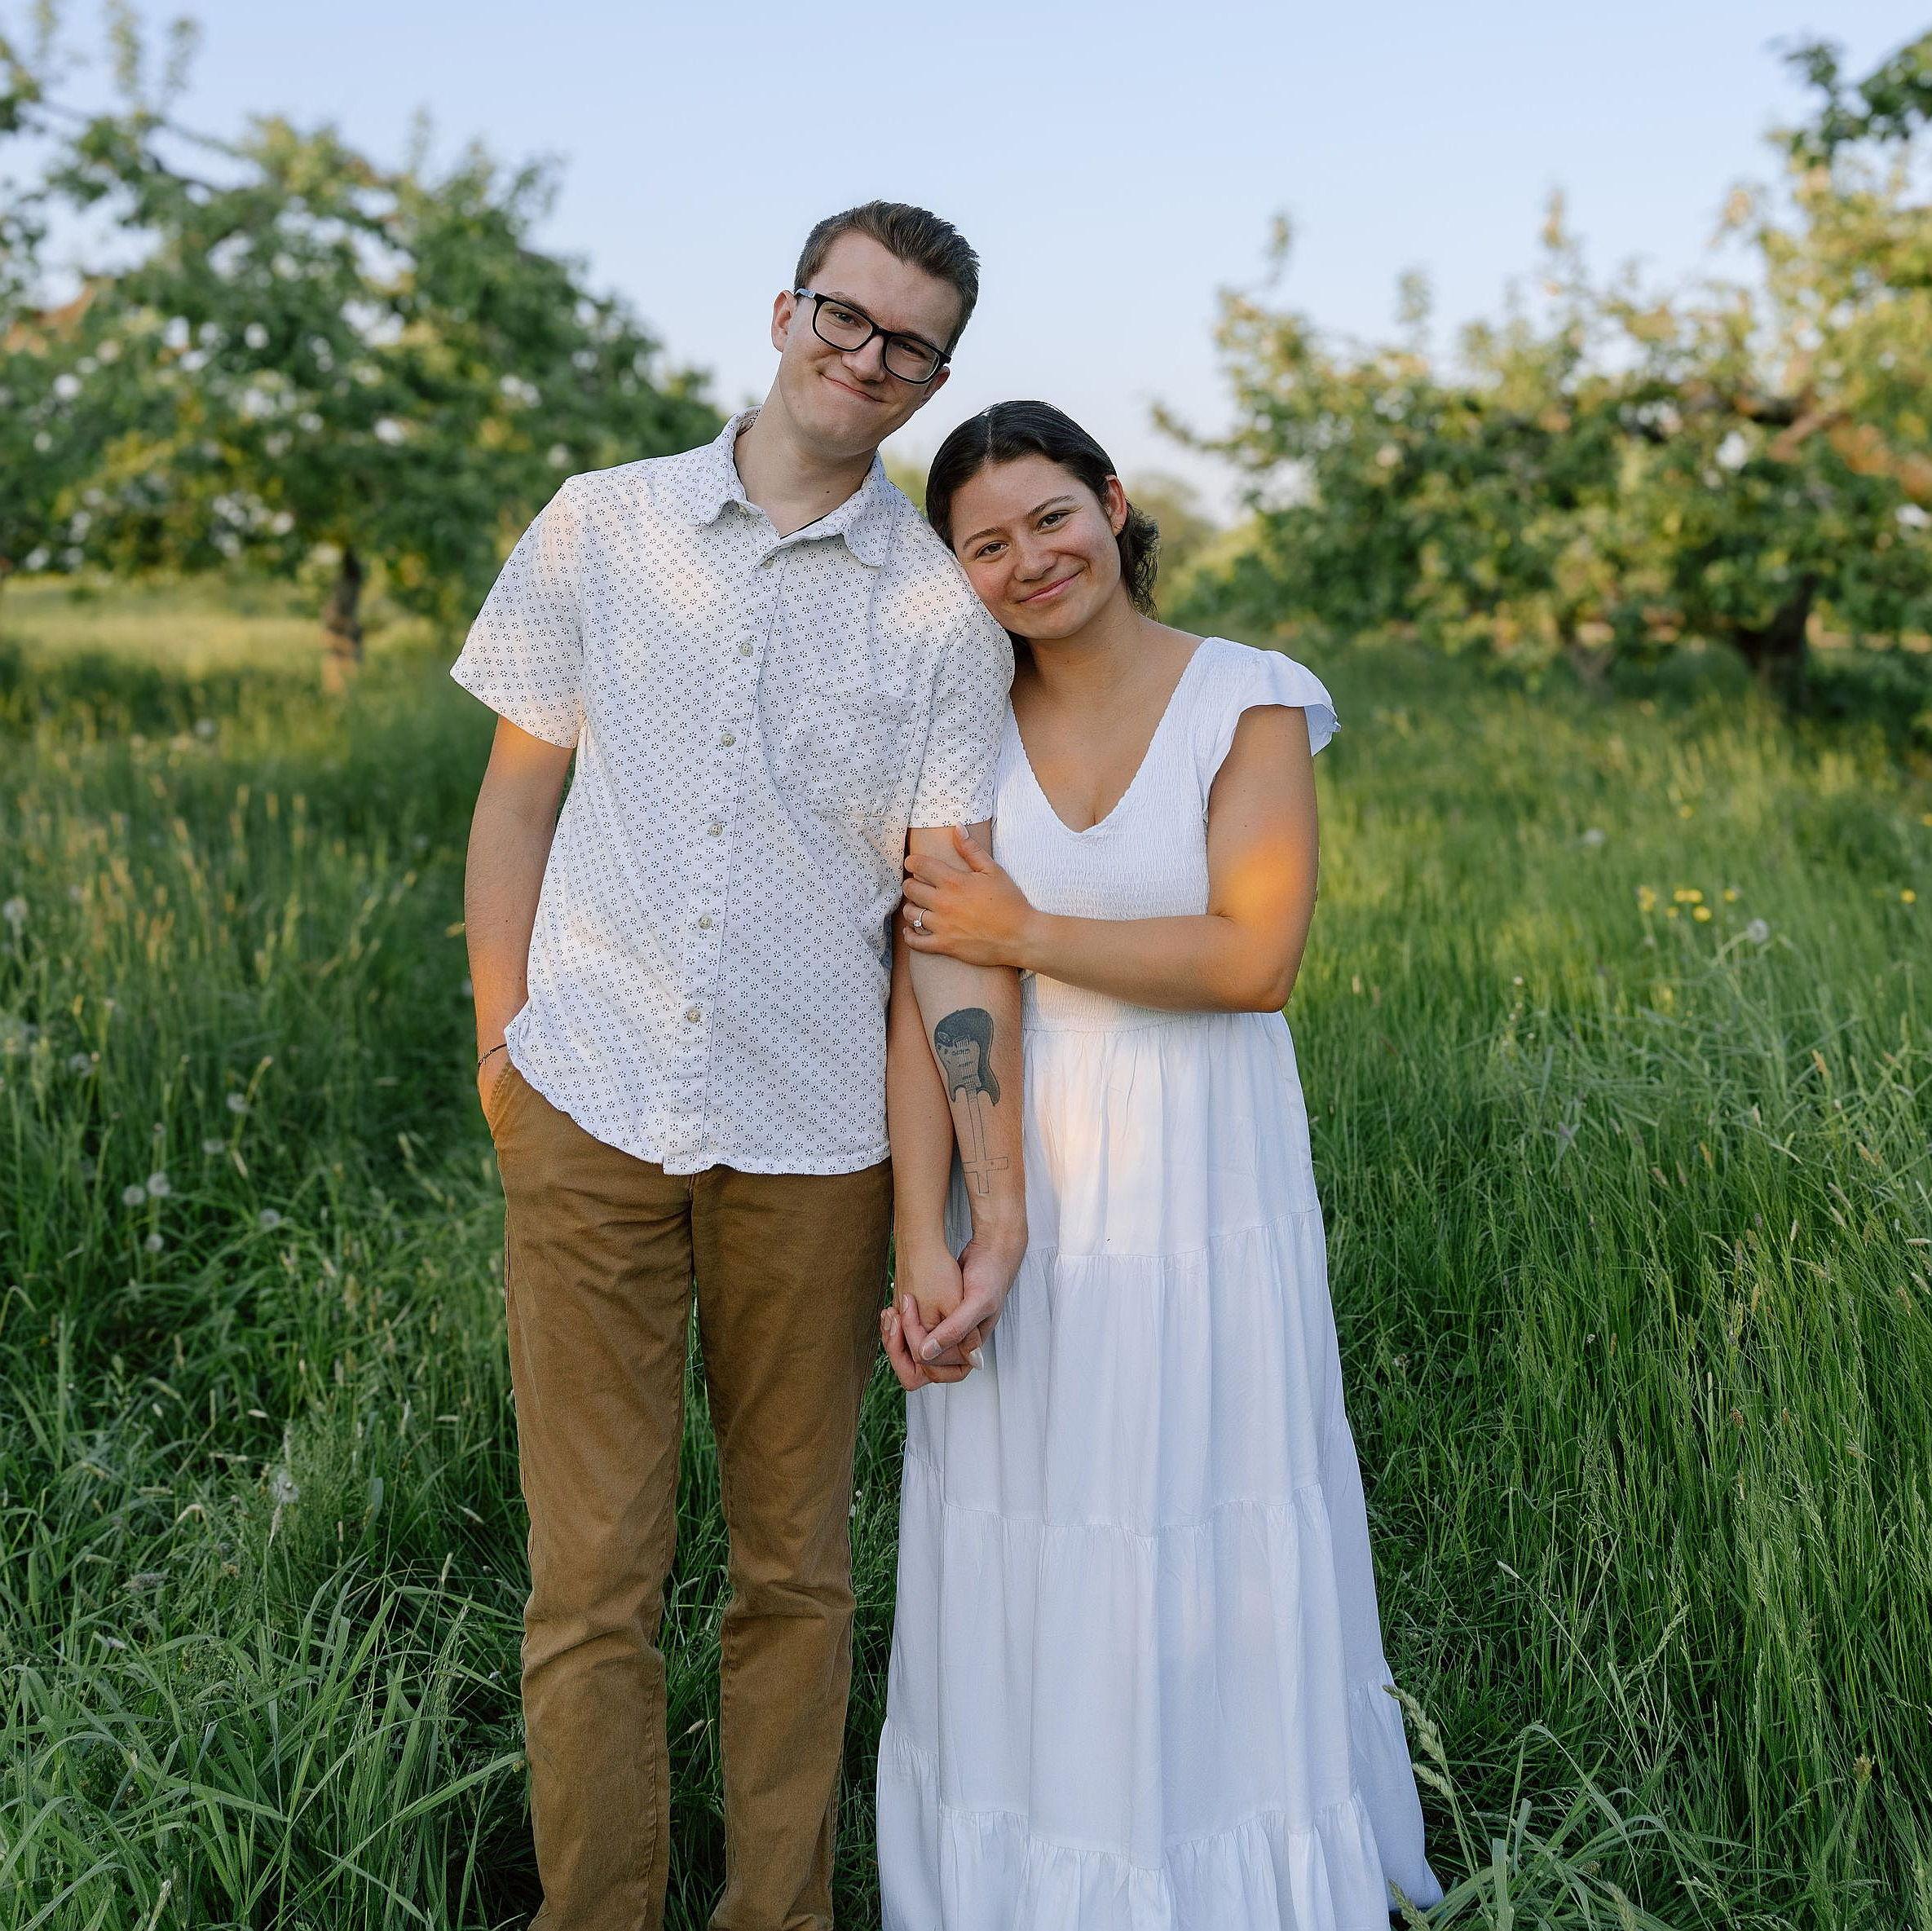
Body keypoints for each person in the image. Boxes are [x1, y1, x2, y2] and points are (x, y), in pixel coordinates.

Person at [450, 202, 1027, 1931]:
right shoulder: (601, 526)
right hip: (591, 1106)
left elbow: (946, 926)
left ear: (934, 381)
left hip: (813, 1144)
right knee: (593, 1579)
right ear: (786, 311)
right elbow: (515, 801)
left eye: (905, 344)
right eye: (843, 318)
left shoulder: (939, 618)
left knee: (792, 1575)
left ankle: (774, 1913)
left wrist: (979, 1208)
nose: (863, 360)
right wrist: (505, 1055)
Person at [876, 401, 1445, 1927]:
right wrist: (918, 1237)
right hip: (1020, 1177)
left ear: (1112, 505)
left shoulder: (1246, 699)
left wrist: (1028, 931)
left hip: (1202, 1181)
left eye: (1050, 517)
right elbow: (927, 991)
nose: (1029, 559)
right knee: (1026, 1525)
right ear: (955, 572)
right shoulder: (954, 724)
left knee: (1203, 1504)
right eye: (983, 543)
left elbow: (1253, 957)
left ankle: (1222, 1869)